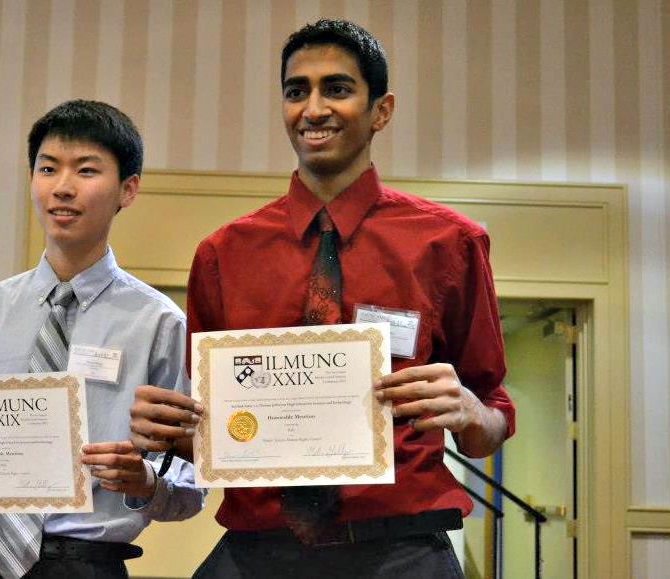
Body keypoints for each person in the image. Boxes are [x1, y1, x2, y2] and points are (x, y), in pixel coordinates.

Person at [129, 19, 515, 578]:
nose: (313, 108)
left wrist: (473, 412)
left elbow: (490, 420)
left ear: (381, 110)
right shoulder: (222, 255)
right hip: (257, 551)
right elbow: (214, 437)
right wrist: (170, 434)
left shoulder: (448, 244)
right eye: (296, 91)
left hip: (402, 551)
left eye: (336, 88)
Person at [0, 99, 203, 579]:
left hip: (84, 565)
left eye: (87, 170)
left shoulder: (160, 324)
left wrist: (145, 483)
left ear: (128, 190)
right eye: (48, 168)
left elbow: (191, 487)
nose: (63, 188)